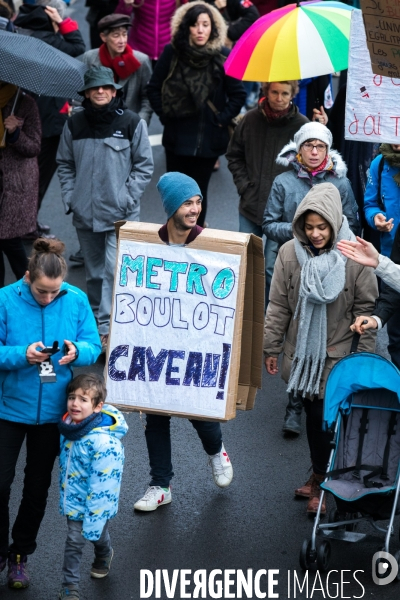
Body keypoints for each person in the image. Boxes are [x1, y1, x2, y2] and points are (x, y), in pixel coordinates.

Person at [264, 183, 377, 514]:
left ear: (335, 223)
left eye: (322, 227)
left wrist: (363, 362)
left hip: (341, 354)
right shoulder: (289, 253)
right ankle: (320, 475)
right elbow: (279, 305)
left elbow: (366, 309)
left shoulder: (353, 254)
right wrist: (271, 347)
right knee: (316, 422)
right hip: (305, 356)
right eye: (309, 227)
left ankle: (326, 484)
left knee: (329, 422)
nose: (315, 234)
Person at [0, 238, 101, 589]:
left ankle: (19, 556)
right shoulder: (5, 299)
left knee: (36, 488)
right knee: (0, 483)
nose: (47, 298)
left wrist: (79, 350)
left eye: (54, 292)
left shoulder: (73, 299)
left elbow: (93, 343)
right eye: (42, 291)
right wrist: (20, 355)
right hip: (9, 408)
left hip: (54, 414)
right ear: (28, 277)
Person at [133, 172, 233, 512]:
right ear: (171, 206)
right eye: (187, 202)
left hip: (198, 343)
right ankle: (160, 485)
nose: (194, 209)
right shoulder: (145, 244)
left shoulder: (211, 245)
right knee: (155, 416)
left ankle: (216, 450)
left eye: (198, 202)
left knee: (201, 414)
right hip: (156, 343)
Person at [263, 122, 359, 434]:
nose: (315, 151)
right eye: (308, 146)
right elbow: (268, 223)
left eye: (320, 146)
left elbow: (352, 219)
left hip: (331, 266)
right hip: (295, 266)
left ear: (328, 149)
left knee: (326, 331)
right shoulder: (284, 181)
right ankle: (294, 407)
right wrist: (299, 231)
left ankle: (327, 411)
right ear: (299, 148)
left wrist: (331, 238)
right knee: (297, 329)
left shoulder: (340, 183)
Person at [57, 66, 154, 352]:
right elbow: (64, 164)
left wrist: (127, 198)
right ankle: (97, 323)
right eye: (95, 88)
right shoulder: (73, 124)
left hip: (120, 216)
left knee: (114, 271)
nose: (100, 91)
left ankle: (108, 330)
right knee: (94, 274)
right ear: (86, 93)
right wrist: (70, 197)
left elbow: (144, 165)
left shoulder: (133, 123)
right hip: (85, 214)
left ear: (114, 92)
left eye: (106, 87)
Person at [147, 1, 246, 227]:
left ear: (213, 27)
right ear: (186, 28)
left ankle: (194, 238)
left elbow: (238, 94)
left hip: (207, 140)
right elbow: (153, 87)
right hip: (177, 138)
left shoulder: (222, 55)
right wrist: (166, 117)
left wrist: (220, 120)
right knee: (175, 193)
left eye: (205, 24)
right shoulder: (173, 52)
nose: (200, 30)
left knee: (198, 194)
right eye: (195, 25)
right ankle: (175, 239)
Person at [226, 80, 308, 299]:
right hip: (251, 204)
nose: (279, 98)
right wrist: (244, 185)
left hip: (282, 213)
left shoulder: (302, 126)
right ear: (266, 92)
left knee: (273, 269)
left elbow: (311, 168)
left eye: (284, 93)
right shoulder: (250, 119)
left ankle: (268, 321)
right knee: (245, 263)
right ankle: (244, 315)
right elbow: (234, 155)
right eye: (274, 92)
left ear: (293, 95)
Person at [15, 0, 86, 239]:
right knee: (40, 178)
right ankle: (28, 226)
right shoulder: (50, 41)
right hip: (50, 122)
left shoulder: (19, 34)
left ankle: (26, 220)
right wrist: (63, 22)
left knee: (23, 176)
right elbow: (78, 45)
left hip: (22, 117)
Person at [58, 373, 128, 600]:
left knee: (97, 533)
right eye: (72, 397)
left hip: (97, 503)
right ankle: (70, 586)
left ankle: (103, 553)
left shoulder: (104, 443)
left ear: (98, 407)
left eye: (83, 399)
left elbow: (104, 485)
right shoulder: (70, 429)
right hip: (75, 499)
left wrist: (94, 516)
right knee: (74, 540)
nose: (75, 404)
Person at [0, 82, 41, 287]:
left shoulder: (25, 103)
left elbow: (34, 146)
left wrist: (15, 133)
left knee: (8, 238)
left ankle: (28, 287)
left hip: (15, 183)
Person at [79, 14, 152, 125]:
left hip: (128, 124)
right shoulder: (90, 58)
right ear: (104, 37)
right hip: (95, 123)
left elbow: (147, 98)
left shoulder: (141, 60)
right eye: (116, 35)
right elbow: (80, 92)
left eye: (124, 34)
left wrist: (139, 122)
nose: (122, 40)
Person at [114, 0, 179, 62]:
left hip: (169, 52)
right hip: (139, 51)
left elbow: (186, 18)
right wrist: (126, 5)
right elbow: (118, 20)